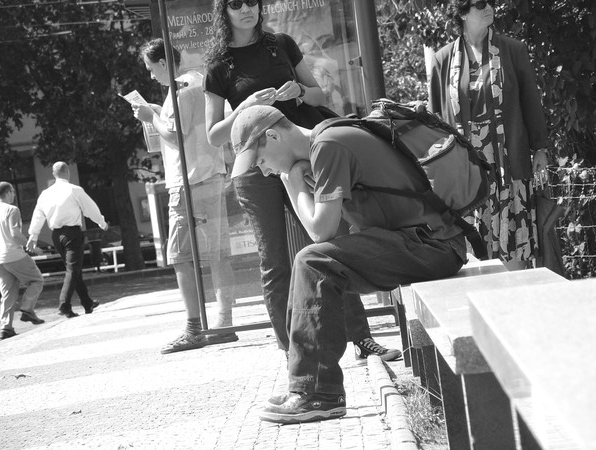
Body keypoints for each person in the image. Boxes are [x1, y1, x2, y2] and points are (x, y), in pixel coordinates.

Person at [229, 105, 467, 423]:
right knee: (314, 267)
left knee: (312, 262)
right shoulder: (326, 140)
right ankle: (306, 386)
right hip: (421, 242)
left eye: (261, 161)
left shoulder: (329, 146)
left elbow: (320, 231)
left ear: (272, 136)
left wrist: (291, 182)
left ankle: (317, 393)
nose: (265, 172)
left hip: (432, 246)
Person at [203, 0, 400, 362]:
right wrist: (245, 106)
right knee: (275, 262)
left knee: (332, 246)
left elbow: (318, 95)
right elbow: (214, 135)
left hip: (300, 161)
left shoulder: (281, 43)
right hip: (257, 167)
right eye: (235, 3)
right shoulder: (217, 65)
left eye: (252, 2)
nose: (246, 9)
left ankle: (362, 339)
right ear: (224, 11)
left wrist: (298, 90)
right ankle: (293, 353)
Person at [428, 0, 551, 270]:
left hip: (509, 159)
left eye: (490, 2)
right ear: (461, 14)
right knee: (475, 254)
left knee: (514, 248)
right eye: (480, 4)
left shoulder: (513, 50)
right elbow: (435, 119)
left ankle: (517, 306)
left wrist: (540, 147)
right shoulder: (442, 59)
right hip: (466, 168)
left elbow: (531, 101)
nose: (489, 7)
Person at [133, 38, 237, 354]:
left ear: (164, 63)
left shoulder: (180, 88)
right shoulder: (197, 81)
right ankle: (224, 322)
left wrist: (151, 118)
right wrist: (157, 114)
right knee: (218, 254)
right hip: (209, 176)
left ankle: (194, 327)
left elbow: (176, 138)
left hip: (188, 183)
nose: (151, 76)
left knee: (180, 258)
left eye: (151, 69)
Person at [27, 162, 108, 318]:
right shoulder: (74, 190)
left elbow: (38, 215)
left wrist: (33, 235)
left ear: (53, 173)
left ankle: (86, 302)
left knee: (73, 270)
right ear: (68, 172)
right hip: (72, 234)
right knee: (72, 270)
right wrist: (102, 222)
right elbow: (90, 208)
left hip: (56, 236)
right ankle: (64, 304)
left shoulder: (45, 194)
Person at [0, 182, 45, 340]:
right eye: (13, 192)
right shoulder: (12, 210)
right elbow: (15, 234)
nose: (14, 195)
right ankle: (27, 309)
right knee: (37, 280)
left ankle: (6, 327)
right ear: (9, 192)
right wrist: (32, 247)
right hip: (14, 254)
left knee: (8, 294)